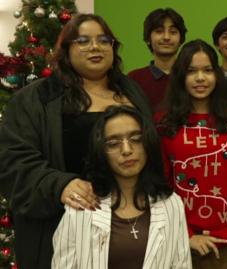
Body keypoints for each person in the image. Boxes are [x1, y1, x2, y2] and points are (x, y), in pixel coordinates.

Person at [0, 14, 151, 269]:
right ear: (66, 49)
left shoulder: (132, 92)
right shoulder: (36, 99)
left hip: (129, 230)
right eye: (83, 41)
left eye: (104, 40)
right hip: (60, 233)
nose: (95, 47)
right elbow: (11, 160)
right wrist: (59, 185)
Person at [156, 39, 227, 269]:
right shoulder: (163, 124)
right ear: (181, 76)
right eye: (192, 71)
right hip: (179, 241)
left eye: (208, 70)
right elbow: (160, 184)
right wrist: (187, 235)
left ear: (217, 75)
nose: (200, 78)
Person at [52, 105, 191, 268]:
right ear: (101, 151)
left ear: (148, 144)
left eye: (136, 139)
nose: (126, 150)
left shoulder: (171, 204)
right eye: (113, 143)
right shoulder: (81, 206)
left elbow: (181, 265)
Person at [129, 8, 187, 111]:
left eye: (173, 32)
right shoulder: (134, 79)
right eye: (159, 31)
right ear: (148, 38)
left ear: (181, 39)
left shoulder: (190, 76)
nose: (166, 37)